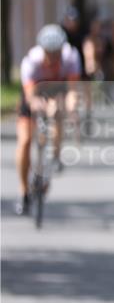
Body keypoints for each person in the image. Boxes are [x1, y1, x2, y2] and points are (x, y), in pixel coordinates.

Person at [14, 25, 82, 215]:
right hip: (34, 94)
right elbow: (30, 97)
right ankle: (23, 192)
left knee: (58, 112)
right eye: (49, 53)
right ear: (42, 50)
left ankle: (54, 155)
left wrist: (72, 110)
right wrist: (40, 106)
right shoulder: (31, 61)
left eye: (56, 53)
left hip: (56, 91)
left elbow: (72, 91)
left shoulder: (71, 58)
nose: (52, 58)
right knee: (25, 141)